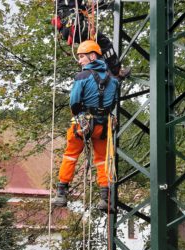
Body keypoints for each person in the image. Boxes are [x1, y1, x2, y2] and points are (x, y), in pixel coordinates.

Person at [52, 40, 119, 210]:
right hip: (103, 126)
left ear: (92, 56)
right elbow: (113, 103)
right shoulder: (114, 80)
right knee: (103, 160)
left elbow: (74, 102)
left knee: (71, 155)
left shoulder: (82, 77)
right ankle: (105, 198)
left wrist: (79, 115)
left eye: (82, 57)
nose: (79, 60)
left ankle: (61, 193)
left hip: (83, 124)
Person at [52, 0, 130, 80]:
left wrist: (100, 4)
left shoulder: (63, 3)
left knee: (94, 50)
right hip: (76, 27)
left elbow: (84, 7)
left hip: (70, 29)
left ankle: (103, 75)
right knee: (104, 43)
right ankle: (116, 72)